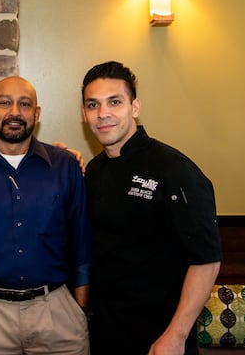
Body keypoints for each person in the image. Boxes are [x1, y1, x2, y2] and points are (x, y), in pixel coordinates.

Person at [80, 61, 222, 355]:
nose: (103, 113)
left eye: (114, 102)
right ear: (84, 114)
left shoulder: (174, 169)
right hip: (106, 332)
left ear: (135, 107)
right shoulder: (94, 171)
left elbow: (206, 260)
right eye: (93, 105)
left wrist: (176, 336)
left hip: (161, 338)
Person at [0, 76, 92, 354]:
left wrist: (79, 306)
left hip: (56, 311)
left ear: (37, 113)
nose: (15, 112)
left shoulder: (64, 166)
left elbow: (81, 238)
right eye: (5, 103)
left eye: (25, 104)